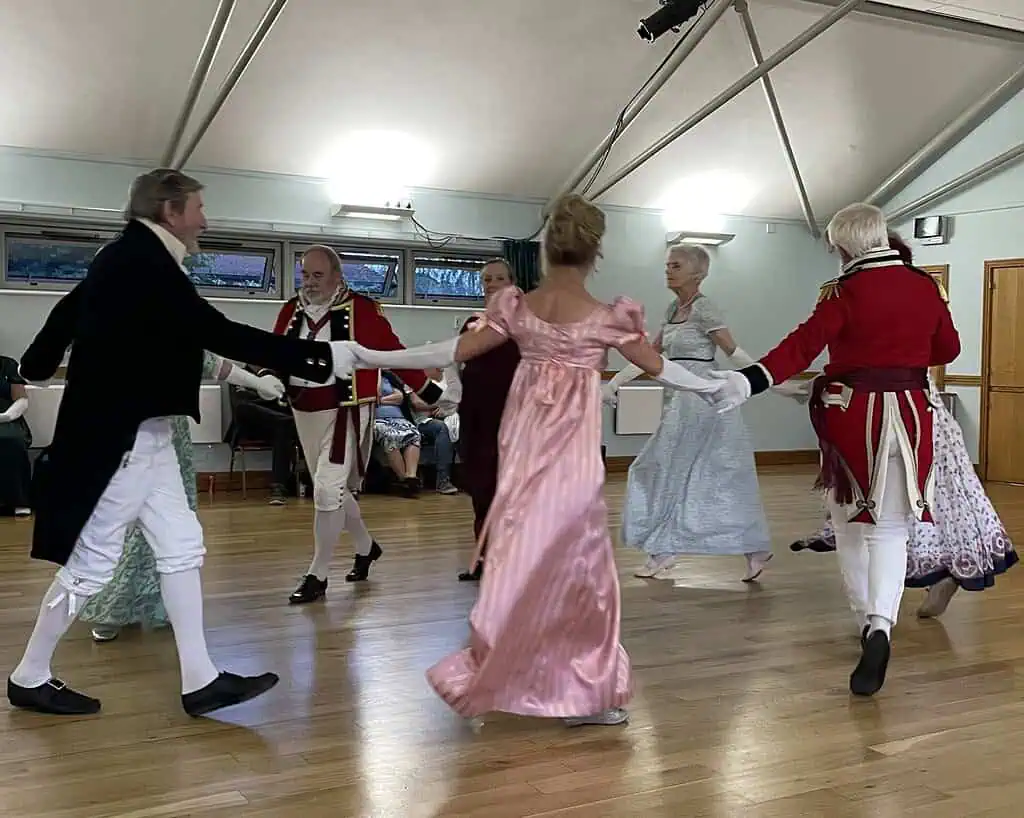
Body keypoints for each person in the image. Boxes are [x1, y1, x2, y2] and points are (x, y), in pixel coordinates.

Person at [335, 193, 734, 727]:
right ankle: (583, 689)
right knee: (582, 568)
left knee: (518, 560)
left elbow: (446, 352)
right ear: (596, 253)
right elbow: (661, 368)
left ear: (545, 252)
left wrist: (371, 355)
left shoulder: (516, 309)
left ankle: (516, 671)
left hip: (521, 453)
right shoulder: (607, 318)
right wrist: (714, 387)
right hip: (570, 461)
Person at [7, 168, 350, 717]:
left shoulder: (125, 256)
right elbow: (210, 329)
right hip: (123, 438)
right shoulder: (142, 260)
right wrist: (318, 357)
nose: (205, 220)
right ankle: (29, 675)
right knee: (93, 563)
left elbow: (66, 313)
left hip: (150, 431)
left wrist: (36, 362)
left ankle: (200, 679)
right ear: (170, 210)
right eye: (197, 207)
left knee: (182, 546)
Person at [709, 203, 961, 697]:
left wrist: (747, 382)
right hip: (911, 415)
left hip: (855, 418)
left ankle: (864, 622)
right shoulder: (925, 285)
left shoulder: (845, 291)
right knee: (890, 530)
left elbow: (801, 346)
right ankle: (882, 625)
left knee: (849, 526)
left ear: (843, 246)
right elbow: (947, 350)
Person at [790, 234, 1016, 619]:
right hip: (908, 412)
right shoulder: (906, 291)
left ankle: (929, 584)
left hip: (917, 414)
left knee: (928, 504)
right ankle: (909, 592)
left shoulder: (893, 292)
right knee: (902, 508)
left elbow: (941, 349)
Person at [604, 244, 804, 582]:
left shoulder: (705, 309)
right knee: (661, 470)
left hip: (707, 402)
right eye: (667, 265)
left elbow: (733, 352)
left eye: (676, 265)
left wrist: (773, 383)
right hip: (678, 403)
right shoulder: (671, 309)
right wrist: (615, 384)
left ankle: (731, 547)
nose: (668, 270)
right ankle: (668, 548)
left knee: (710, 478)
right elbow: (648, 355)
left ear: (699, 272)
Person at [265, 245, 442, 605]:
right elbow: (276, 351)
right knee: (330, 491)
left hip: (346, 409)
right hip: (304, 411)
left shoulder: (360, 309)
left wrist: (425, 386)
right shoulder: (291, 309)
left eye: (318, 275)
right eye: (305, 275)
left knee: (328, 491)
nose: (310, 282)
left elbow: (392, 351)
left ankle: (318, 573)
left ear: (336, 277)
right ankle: (366, 547)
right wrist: (267, 375)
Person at [84, 353, 286, 642]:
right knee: (132, 523)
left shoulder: (173, 323)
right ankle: (112, 609)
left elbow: (211, 362)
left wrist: (256, 382)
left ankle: (161, 606)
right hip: (127, 430)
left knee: (172, 528)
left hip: (168, 433)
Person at [443, 258, 521, 581]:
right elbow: (454, 361)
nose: (491, 284)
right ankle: (484, 556)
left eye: (498, 278)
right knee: (481, 489)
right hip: (475, 414)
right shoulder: (474, 323)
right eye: (486, 279)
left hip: (511, 415)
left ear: (512, 282)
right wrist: (454, 394)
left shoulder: (526, 323)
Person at [228, 380, 299, 505]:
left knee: (282, 430)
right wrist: (268, 398)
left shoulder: (279, 377)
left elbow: (288, 402)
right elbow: (240, 401)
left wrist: (260, 398)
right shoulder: (241, 376)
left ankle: (278, 487)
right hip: (253, 425)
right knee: (243, 407)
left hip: (277, 425)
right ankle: (287, 421)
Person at [409, 369, 459, 496]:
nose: (440, 368)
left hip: (447, 417)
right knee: (442, 428)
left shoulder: (447, 380)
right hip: (422, 421)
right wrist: (438, 406)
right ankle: (443, 481)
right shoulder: (414, 378)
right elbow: (417, 403)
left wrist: (447, 408)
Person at [374, 371, 422, 496]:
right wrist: (387, 399)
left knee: (413, 434)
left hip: (398, 418)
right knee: (390, 436)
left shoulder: (389, 377)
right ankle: (403, 479)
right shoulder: (367, 377)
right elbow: (373, 396)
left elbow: (400, 397)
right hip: (378, 419)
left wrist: (380, 400)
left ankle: (411, 477)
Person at [0, 354, 32, 517]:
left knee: (11, 440)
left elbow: (21, 399)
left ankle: (18, 500)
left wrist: (5, 416)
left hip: (7, 418)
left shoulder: (7, 364)